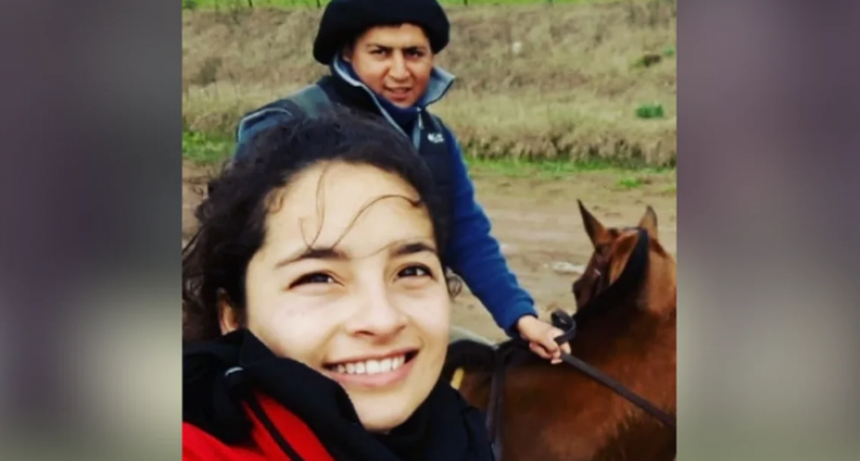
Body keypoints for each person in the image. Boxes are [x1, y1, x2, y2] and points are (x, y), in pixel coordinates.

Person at [233, 0, 570, 364]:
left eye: (414, 53)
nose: (400, 71)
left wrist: (522, 318)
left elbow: (466, 234)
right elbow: (242, 248)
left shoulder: (436, 139)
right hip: (308, 332)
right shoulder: (288, 124)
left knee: (481, 372)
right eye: (380, 52)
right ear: (347, 54)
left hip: (400, 321)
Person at [182, 109, 493, 461]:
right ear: (233, 317)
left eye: (411, 271)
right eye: (317, 278)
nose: (382, 320)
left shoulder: (466, 437)